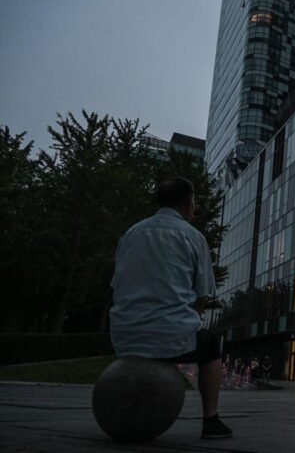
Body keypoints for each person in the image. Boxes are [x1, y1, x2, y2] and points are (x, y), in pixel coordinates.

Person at [110, 177, 233, 439]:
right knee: (211, 345)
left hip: (123, 336)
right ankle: (211, 420)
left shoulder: (131, 233)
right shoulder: (193, 237)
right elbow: (201, 296)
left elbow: (117, 286)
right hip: (168, 336)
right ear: (189, 205)